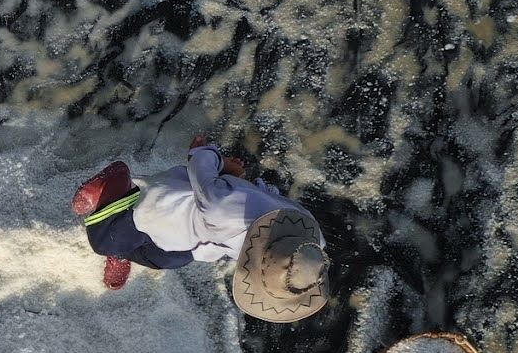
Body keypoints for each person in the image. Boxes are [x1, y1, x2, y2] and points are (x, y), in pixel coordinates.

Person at [71, 134, 331, 323]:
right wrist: (205, 153)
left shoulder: (308, 235)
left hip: (199, 243)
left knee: (165, 260)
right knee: (103, 240)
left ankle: (123, 251)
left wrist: (239, 184)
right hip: (165, 210)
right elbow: (200, 170)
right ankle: (114, 187)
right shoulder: (224, 211)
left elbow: (272, 195)